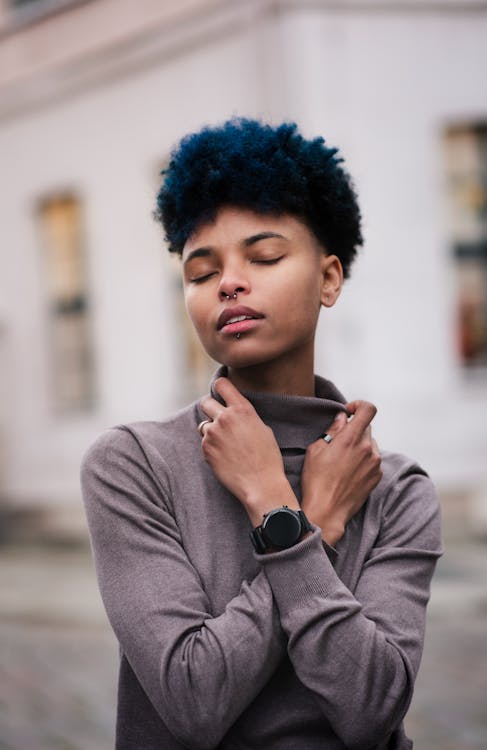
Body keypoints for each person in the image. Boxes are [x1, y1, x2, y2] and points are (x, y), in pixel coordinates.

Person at [81, 118, 442, 750]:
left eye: (265, 255)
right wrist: (313, 520)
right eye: (201, 272)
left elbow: (371, 710)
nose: (229, 282)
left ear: (328, 279)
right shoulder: (133, 465)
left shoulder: (395, 488)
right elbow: (192, 700)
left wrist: (279, 509)